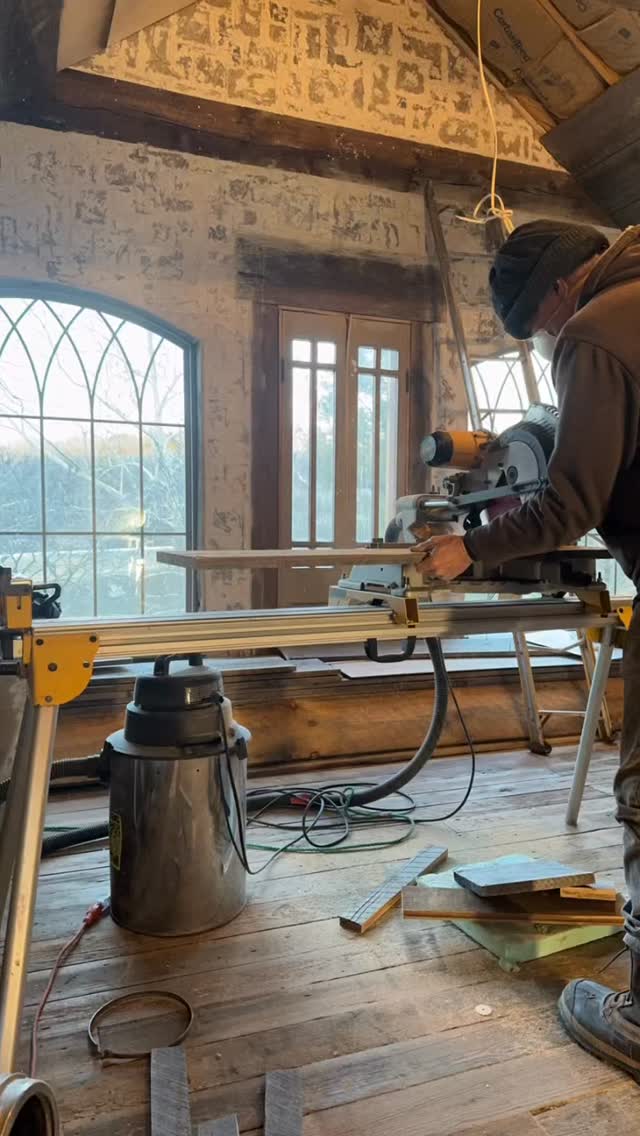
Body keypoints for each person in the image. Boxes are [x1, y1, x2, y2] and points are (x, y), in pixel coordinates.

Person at [417, 219, 640, 1080]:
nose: (547, 337)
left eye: (537, 326)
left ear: (556, 290)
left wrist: (467, 548)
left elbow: (570, 499)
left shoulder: (595, 330)